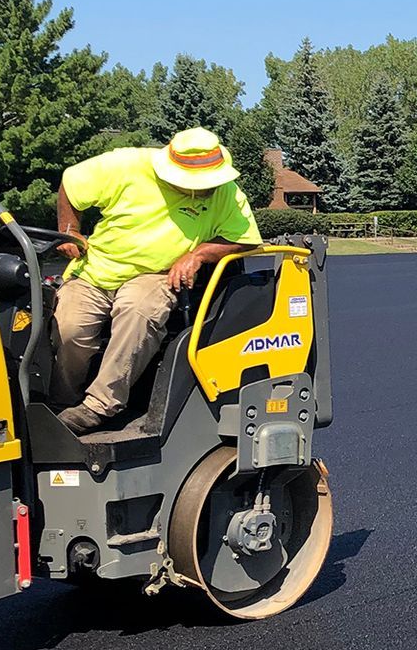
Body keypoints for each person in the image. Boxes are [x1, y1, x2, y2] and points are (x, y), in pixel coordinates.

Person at [51, 128, 262, 434]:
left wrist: (199, 254)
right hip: (96, 269)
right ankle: (62, 402)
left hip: (154, 275)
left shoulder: (225, 190)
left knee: (139, 311)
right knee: (70, 326)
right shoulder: (126, 165)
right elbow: (71, 184)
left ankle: (99, 406)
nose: (208, 189)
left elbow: (244, 239)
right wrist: (69, 229)